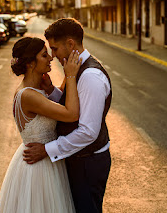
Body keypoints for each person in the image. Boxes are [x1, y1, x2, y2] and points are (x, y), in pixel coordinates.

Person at [23, 18, 112, 213]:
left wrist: (47, 149)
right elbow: (75, 105)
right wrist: (53, 91)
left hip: (88, 162)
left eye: (54, 49)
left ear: (70, 44)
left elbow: (88, 132)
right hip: (78, 158)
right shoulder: (74, 68)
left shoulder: (90, 77)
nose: (52, 56)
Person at [0, 36, 82, 213]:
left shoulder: (37, 91)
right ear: (30, 63)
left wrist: (50, 89)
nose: (51, 58)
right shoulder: (28, 95)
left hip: (46, 160)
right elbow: (71, 114)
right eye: (44, 55)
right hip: (39, 168)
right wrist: (70, 76)